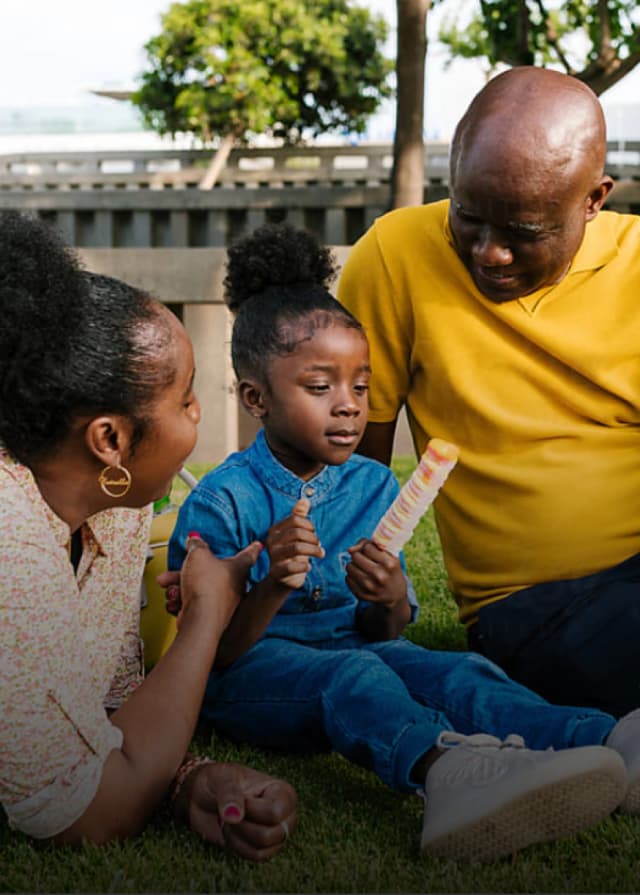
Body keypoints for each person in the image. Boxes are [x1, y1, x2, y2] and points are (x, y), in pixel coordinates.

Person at [169, 222, 640, 864]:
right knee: (355, 673)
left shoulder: (370, 485)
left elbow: (383, 630)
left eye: (361, 387)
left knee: (454, 671)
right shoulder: (223, 500)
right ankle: (446, 773)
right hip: (251, 681)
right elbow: (213, 657)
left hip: (359, 649)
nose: (349, 406)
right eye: (320, 388)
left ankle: (604, 741)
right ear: (257, 398)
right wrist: (274, 582)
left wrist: (387, 597)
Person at [337, 65, 640, 719]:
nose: (489, 253)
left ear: (594, 200)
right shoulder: (395, 256)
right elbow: (348, 469)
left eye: (523, 232)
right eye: (468, 218)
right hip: (532, 606)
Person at [0, 211, 296, 859]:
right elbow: (83, 815)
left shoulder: (116, 499)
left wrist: (189, 779)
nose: (199, 414)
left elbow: (99, 716)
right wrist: (206, 615)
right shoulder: (10, 546)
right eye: (185, 400)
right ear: (110, 438)